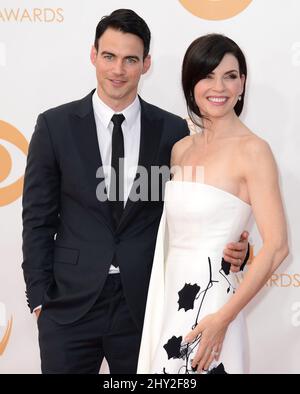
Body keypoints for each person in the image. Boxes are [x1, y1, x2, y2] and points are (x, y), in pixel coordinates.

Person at [22, 11, 249, 374]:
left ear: (146, 64)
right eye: (109, 56)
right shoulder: (54, 125)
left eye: (130, 59)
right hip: (69, 307)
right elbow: (37, 218)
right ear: (93, 55)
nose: (118, 69)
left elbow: (195, 209)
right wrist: (39, 299)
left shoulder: (173, 132)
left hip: (145, 305)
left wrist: (241, 249)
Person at [137, 34, 289, 374]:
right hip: (167, 298)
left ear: (242, 83)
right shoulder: (181, 150)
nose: (218, 86)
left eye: (230, 75)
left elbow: (277, 247)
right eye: (207, 75)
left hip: (215, 304)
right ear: (191, 84)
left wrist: (223, 318)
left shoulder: (254, 151)